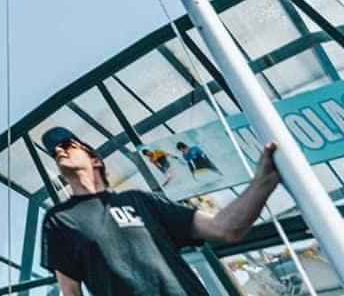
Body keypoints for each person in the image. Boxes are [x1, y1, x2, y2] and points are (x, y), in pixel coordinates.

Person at [40, 126, 281, 295]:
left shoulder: (140, 201)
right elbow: (70, 291)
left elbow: (225, 229)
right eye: (55, 151)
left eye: (68, 145)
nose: (59, 150)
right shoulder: (59, 220)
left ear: (96, 160)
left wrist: (263, 182)